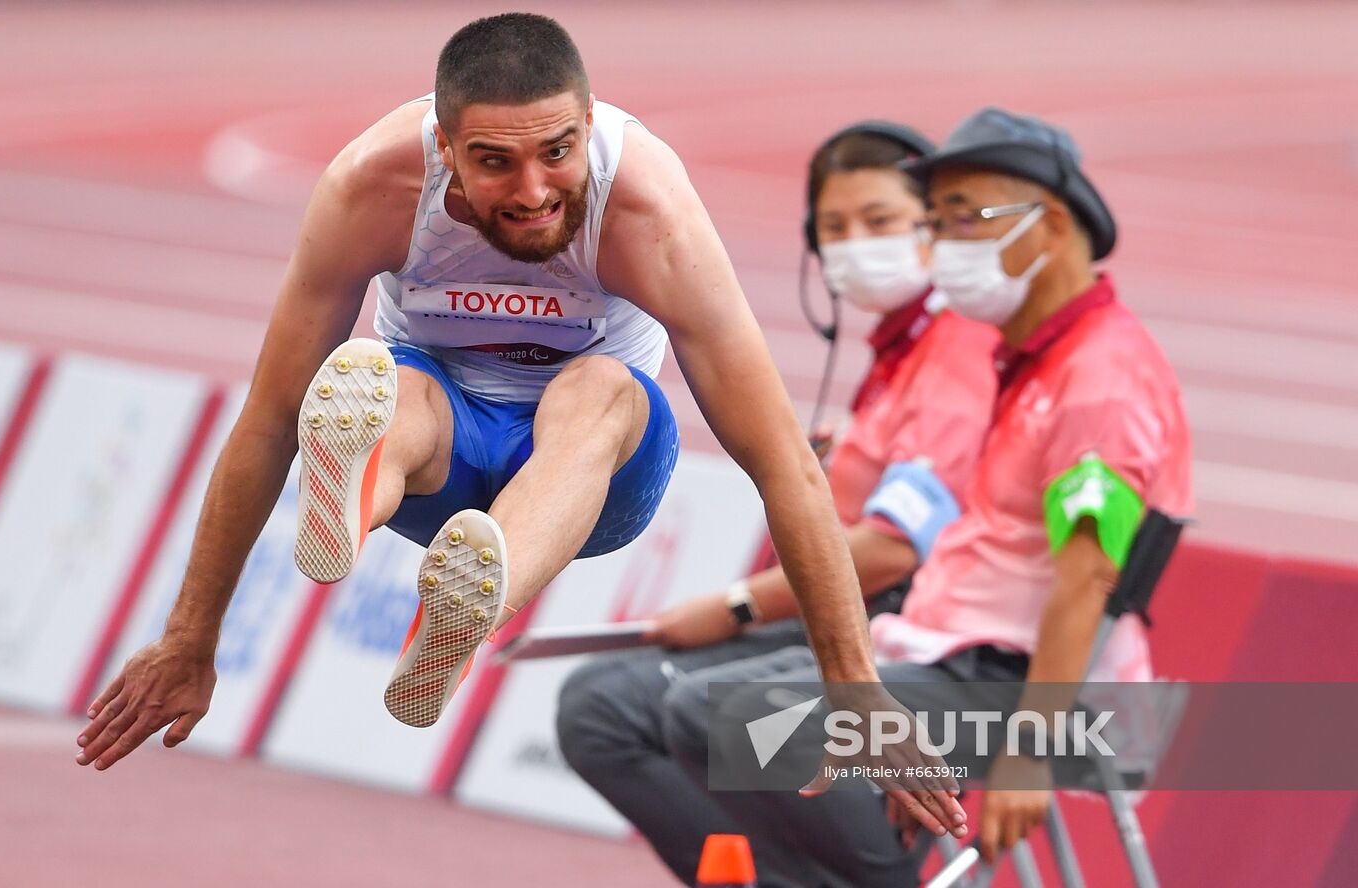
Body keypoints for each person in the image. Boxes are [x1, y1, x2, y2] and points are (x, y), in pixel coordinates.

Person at [71, 13, 966, 839]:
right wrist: (192, 638)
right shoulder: (374, 186)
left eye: (558, 152)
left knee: (604, 386)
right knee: (393, 386)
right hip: (440, 459)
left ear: (587, 126)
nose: (534, 191)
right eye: (494, 161)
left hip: (594, 477)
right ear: (444, 149)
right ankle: (356, 503)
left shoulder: (647, 209)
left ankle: (467, 590)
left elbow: (783, 465)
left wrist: (854, 686)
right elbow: (269, 418)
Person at [660, 107, 1192, 885]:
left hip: (1024, 690)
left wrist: (1028, 753)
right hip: (953, 661)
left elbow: (1090, 574)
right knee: (692, 708)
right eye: (937, 221)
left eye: (965, 217)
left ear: (1046, 226)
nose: (943, 244)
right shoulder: (1033, 360)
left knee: (728, 717)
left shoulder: (1099, 379)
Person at [554, 121, 1000, 886]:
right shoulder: (898, 357)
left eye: (880, 221)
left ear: (936, 229)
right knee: (598, 708)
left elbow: (895, 545)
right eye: (834, 227)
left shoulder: (956, 351)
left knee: (715, 712)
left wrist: (734, 605)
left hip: (926, 642)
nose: (855, 244)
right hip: (863, 622)